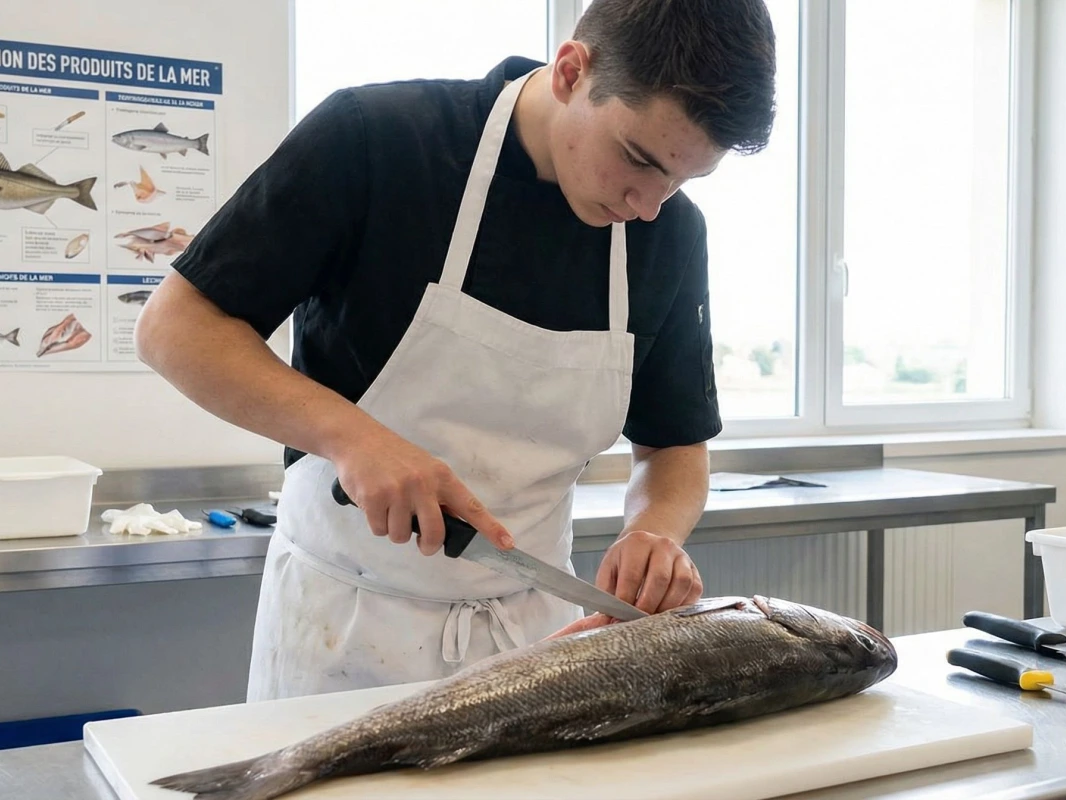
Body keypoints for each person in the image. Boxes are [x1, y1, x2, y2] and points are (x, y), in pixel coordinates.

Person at [136, 0, 778, 702]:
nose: (648, 204)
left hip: (537, 632)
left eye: (679, 181)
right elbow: (176, 327)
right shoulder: (376, 142)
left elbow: (674, 443)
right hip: (345, 626)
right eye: (637, 159)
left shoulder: (670, 234)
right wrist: (354, 439)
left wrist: (655, 532)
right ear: (571, 71)